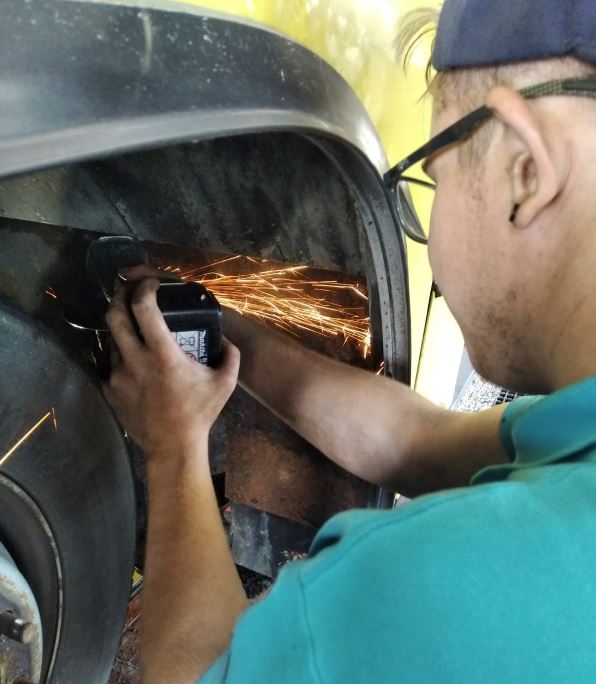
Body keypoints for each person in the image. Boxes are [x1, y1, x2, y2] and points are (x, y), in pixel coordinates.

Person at [104, 1, 596, 681]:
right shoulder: (578, 443)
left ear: (525, 169)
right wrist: (227, 330)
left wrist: (174, 445)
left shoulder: (443, 581)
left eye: (431, 174)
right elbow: (416, 441)